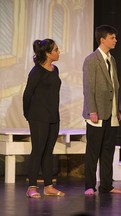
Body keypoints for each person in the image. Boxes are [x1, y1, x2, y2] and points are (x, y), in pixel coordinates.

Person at [82, 25, 121, 196]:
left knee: (108, 151)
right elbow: (88, 87)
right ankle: (89, 185)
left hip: (111, 112)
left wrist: (118, 108)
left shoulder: (111, 59)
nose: (115, 40)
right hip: (97, 113)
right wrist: (92, 110)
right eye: (112, 37)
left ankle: (107, 185)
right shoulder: (92, 59)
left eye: (115, 37)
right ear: (102, 39)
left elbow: (115, 86)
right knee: (93, 151)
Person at [23, 39, 65, 198]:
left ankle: (48, 186)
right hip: (38, 117)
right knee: (38, 150)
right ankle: (31, 187)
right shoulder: (36, 72)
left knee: (48, 152)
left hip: (53, 116)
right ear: (48, 53)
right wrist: (29, 115)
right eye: (56, 49)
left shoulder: (55, 70)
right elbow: (27, 95)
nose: (58, 52)